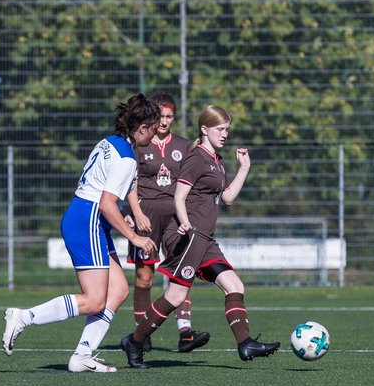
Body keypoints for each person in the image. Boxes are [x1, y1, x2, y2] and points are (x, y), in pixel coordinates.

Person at [2, 94, 161, 373]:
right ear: (143, 128)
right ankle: (23, 317)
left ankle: (82, 355)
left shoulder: (110, 143)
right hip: (88, 219)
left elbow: (104, 193)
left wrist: (120, 211)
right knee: (94, 300)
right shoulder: (127, 159)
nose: (157, 132)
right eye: (154, 126)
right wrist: (134, 237)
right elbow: (106, 203)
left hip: (87, 217)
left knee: (120, 290)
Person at [118, 104, 280, 367]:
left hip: (205, 239)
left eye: (227, 129)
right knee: (175, 297)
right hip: (188, 235)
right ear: (204, 129)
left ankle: (246, 344)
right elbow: (179, 196)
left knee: (235, 286)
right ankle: (134, 341)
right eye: (220, 129)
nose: (225, 134)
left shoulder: (217, 161)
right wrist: (184, 223)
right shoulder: (196, 158)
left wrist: (244, 168)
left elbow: (227, 197)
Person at [125, 90, 211, 353]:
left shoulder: (184, 146)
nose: (164, 121)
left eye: (169, 116)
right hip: (146, 215)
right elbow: (128, 179)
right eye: (160, 116)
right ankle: (143, 331)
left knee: (180, 274)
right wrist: (131, 212)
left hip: (176, 215)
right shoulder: (140, 143)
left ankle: (185, 333)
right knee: (144, 278)